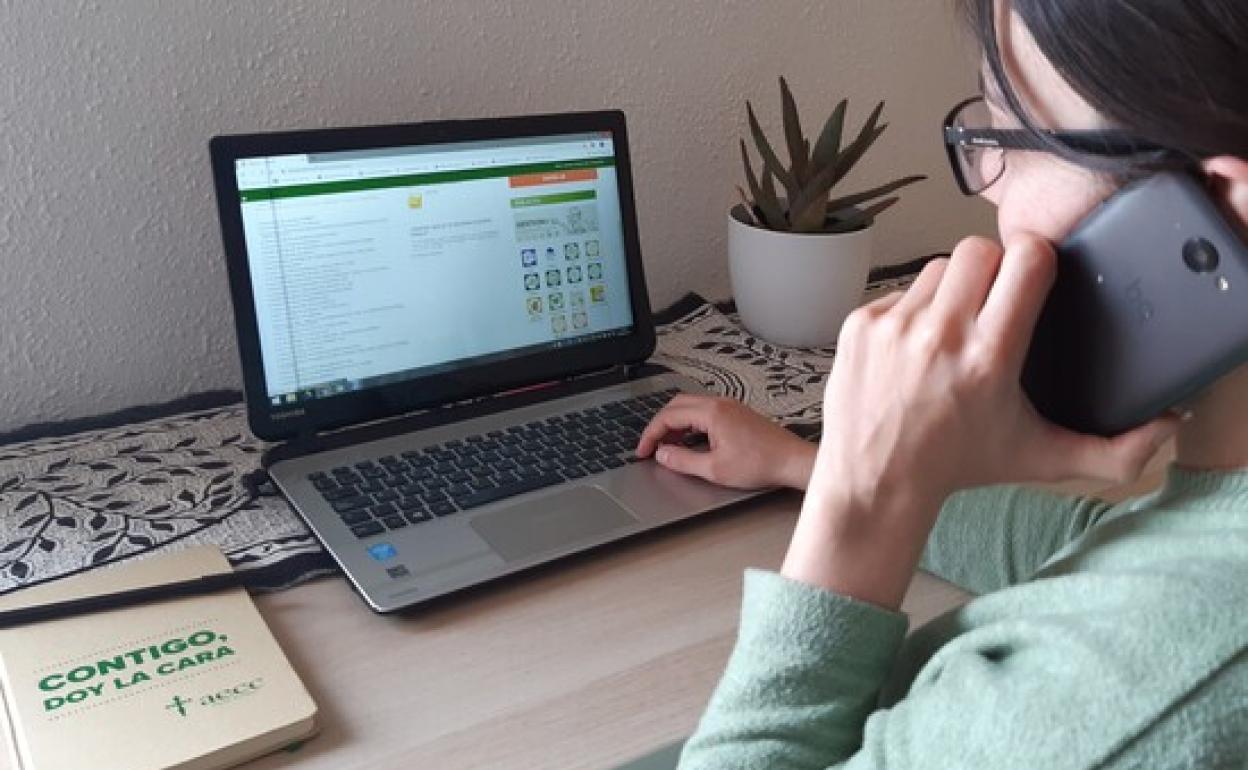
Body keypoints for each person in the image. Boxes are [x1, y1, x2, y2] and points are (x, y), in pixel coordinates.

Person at [638, 1, 1248, 766]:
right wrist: (820, 465)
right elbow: (1106, 548)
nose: (988, 189)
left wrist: (862, 511)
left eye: (1014, 136)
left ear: (1228, 208)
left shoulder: (1120, 705)